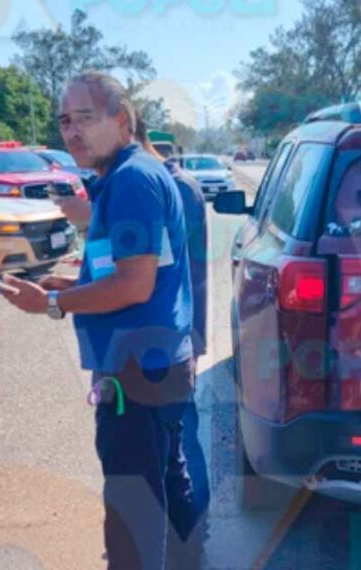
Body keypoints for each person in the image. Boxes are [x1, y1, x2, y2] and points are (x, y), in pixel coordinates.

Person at [0, 71, 205, 569]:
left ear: (121, 119)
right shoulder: (126, 177)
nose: (72, 132)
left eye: (85, 119)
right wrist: (66, 287)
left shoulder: (132, 180)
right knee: (167, 477)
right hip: (156, 363)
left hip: (137, 372)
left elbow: (134, 286)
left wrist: (50, 305)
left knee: (133, 502)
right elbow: (137, 272)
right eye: (65, 121)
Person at [135, 120, 210, 536]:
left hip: (171, 338)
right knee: (178, 437)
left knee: (181, 440)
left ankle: (188, 533)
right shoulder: (174, 183)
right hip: (175, 334)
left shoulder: (170, 188)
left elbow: (178, 274)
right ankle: (185, 527)